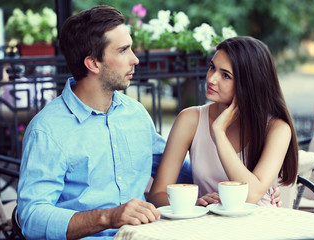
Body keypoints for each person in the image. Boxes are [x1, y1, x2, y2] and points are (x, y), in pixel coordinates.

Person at [17, 5, 191, 239]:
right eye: (123, 51)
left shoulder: (136, 114)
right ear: (93, 64)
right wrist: (108, 217)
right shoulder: (47, 130)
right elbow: (32, 217)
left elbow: (173, 166)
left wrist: (217, 185)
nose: (135, 59)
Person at [148, 36, 298, 208]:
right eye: (212, 67)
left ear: (249, 84)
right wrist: (193, 206)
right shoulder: (189, 120)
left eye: (226, 75)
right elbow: (157, 194)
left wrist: (219, 131)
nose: (211, 78)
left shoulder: (277, 128)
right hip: (208, 227)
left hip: (260, 227)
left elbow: (250, 196)